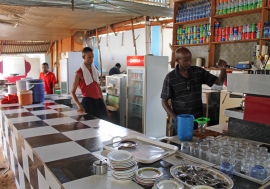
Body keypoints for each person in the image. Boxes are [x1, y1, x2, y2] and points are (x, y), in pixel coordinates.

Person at [161, 47, 227, 130]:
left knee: (198, 140)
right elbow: (164, 101)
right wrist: (176, 118)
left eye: (190, 59)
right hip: (182, 121)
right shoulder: (170, 78)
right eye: (185, 60)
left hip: (197, 120)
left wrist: (223, 68)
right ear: (177, 61)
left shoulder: (198, 72)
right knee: (181, 142)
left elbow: (219, 82)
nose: (189, 63)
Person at [71, 47, 108, 120]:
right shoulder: (79, 73)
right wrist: (79, 105)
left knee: (104, 124)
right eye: (89, 57)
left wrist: (103, 103)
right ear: (83, 57)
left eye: (92, 57)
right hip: (88, 102)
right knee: (90, 126)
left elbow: (98, 87)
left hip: (98, 101)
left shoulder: (95, 70)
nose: (91, 59)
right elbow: (72, 92)